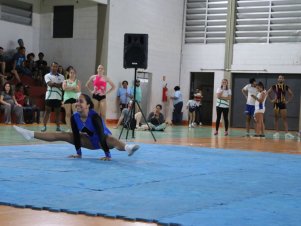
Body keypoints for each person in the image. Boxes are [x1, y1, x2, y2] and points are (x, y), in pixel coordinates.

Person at [13, 93, 139, 161]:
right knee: (65, 135)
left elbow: (101, 135)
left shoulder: (94, 116)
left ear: (88, 105)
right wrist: (78, 154)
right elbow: (76, 136)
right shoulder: (74, 117)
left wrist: (108, 155)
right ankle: (31, 134)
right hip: (88, 142)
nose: (77, 103)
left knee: (110, 138)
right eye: (77, 101)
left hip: (103, 141)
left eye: (81, 101)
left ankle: (127, 147)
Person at [267, 75, 294, 139]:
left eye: (281, 78)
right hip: (276, 104)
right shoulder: (274, 86)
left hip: (283, 104)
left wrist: (287, 101)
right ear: (277, 79)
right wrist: (271, 100)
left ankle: (287, 133)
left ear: (283, 79)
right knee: (276, 118)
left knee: (284, 119)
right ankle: (276, 132)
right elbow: (267, 92)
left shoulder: (286, 86)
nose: (280, 79)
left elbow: (291, 94)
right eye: (279, 78)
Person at [41, 62, 65, 132]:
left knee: (58, 112)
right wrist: (58, 84)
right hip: (49, 96)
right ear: (51, 67)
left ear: (58, 68)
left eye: (56, 67)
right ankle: (44, 126)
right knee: (47, 111)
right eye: (53, 66)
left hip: (58, 96)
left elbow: (62, 86)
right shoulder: (47, 75)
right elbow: (50, 84)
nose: (54, 68)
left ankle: (58, 127)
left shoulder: (62, 76)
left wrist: (54, 84)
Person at [62, 67, 81, 131]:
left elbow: (78, 90)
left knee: (75, 114)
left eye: (73, 73)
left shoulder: (77, 81)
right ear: (68, 74)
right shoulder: (65, 81)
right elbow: (64, 88)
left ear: (75, 74)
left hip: (74, 99)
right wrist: (73, 87)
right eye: (71, 73)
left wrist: (69, 87)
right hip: (67, 98)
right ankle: (69, 128)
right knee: (68, 114)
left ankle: (76, 127)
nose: (72, 74)